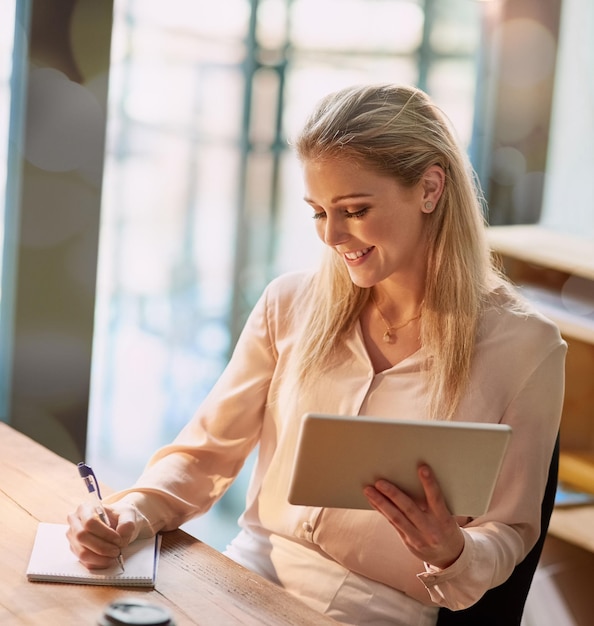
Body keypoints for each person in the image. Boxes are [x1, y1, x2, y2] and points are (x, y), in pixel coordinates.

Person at [67, 84, 566, 626]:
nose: (332, 235)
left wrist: (453, 550)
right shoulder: (290, 303)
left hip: (381, 612)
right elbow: (204, 455)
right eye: (318, 212)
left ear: (430, 187)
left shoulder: (524, 347)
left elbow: (511, 530)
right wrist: (128, 514)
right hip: (244, 581)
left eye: (354, 210)